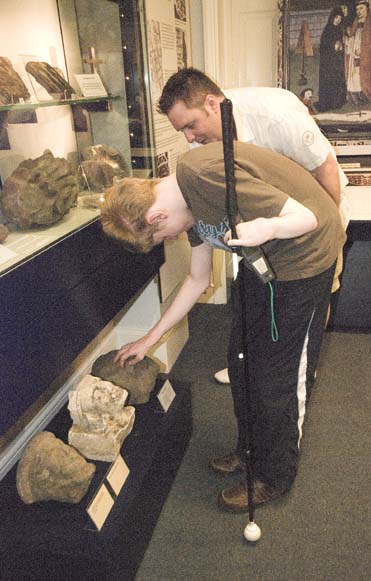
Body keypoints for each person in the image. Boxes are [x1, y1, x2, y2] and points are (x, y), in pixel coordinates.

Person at [100, 141, 345, 511]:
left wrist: (268, 227)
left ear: (155, 219)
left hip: (304, 259)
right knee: (243, 360)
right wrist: (150, 338)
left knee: (279, 377)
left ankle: (275, 475)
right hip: (262, 261)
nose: (169, 239)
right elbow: (197, 280)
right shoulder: (186, 205)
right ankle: (249, 452)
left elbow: (309, 218)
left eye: (161, 237)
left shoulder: (203, 176)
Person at [157, 67, 348, 386]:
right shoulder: (201, 143)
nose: (189, 137)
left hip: (319, 212)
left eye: (191, 125)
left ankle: (304, 362)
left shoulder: (277, 114)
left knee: (315, 296)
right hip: (265, 222)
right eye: (182, 131)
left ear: (211, 103)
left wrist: (324, 235)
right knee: (258, 298)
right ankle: (251, 365)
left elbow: (324, 168)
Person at [317, 7, 347, 111]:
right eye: (336, 17)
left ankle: (337, 101)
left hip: (336, 60)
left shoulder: (339, 30)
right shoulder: (327, 29)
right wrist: (333, 45)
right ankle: (328, 103)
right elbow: (323, 46)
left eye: (340, 18)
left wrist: (340, 45)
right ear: (332, 17)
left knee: (337, 80)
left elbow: (341, 43)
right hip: (328, 61)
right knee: (329, 81)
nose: (338, 20)